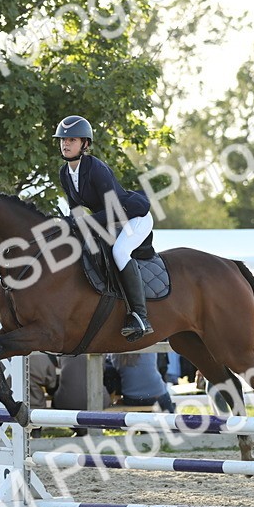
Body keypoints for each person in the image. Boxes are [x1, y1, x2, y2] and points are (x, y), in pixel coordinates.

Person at [55, 115, 154, 341]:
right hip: (107, 221)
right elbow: (76, 211)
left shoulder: (96, 168)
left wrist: (82, 223)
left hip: (133, 217)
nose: (65, 144)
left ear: (85, 144)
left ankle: (140, 316)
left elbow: (114, 210)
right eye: (63, 139)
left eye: (71, 140)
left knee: (120, 252)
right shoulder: (64, 173)